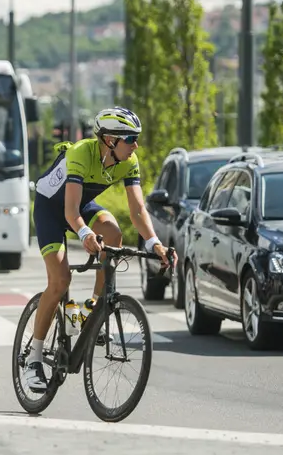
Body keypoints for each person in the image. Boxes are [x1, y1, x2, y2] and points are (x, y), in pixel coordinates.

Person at [24, 106, 175, 393]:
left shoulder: (129, 161)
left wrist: (154, 242)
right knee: (60, 282)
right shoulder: (81, 152)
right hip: (51, 209)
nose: (136, 145)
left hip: (81, 205)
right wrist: (84, 233)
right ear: (109, 140)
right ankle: (34, 359)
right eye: (131, 138)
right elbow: (69, 211)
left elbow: (138, 209)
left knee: (114, 235)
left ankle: (91, 312)